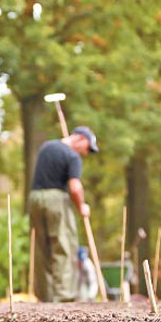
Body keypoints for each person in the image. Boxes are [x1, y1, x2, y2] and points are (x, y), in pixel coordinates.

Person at [28, 126, 99, 302]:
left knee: (42, 247)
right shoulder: (72, 156)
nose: (85, 153)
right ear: (81, 139)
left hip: (35, 198)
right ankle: (64, 296)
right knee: (63, 245)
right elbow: (75, 188)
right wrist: (82, 206)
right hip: (57, 200)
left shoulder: (46, 147)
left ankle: (45, 296)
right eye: (87, 148)